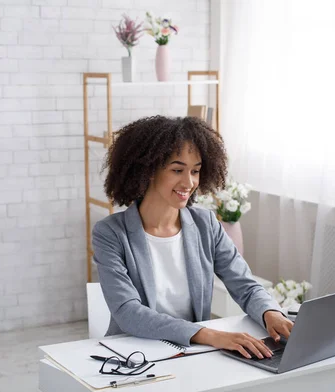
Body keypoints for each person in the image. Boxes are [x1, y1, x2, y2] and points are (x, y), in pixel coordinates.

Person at [92, 116, 293, 360]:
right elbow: (128, 312)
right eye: (177, 170)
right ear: (148, 170)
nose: (189, 182)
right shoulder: (110, 234)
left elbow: (245, 286)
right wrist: (209, 335)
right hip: (135, 355)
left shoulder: (206, 224)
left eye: (195, 171)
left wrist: (270, 313)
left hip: (192, 354)